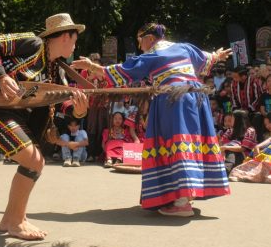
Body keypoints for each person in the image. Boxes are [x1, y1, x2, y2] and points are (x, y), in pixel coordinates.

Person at [72, 22, 231, 217]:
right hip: (196, 98)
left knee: (175, 143)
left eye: (140, 41)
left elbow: (124, 72)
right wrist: (217, 55)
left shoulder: (153, 55)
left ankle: (181, 203)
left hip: (173, 100)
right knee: (189, 142)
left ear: (149, 38)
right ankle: (185, 196)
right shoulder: (184, 47)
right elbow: (207, 58)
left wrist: (92, 67)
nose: (140, 46)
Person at [0, 13, 88, 239]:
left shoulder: (56, 70)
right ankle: (16, 222)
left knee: (35, 162)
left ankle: (10, 219)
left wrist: (78, 111)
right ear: (66, 36)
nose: (76, 45)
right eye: (75, 39)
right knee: (33, 161)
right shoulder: (34, 43)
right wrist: (1, 76)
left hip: (13, 116)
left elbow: (63, 104)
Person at [220, 109, 257, 174]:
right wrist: (223, 149)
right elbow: (221, 141)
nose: (231, 121)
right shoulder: (231, 130)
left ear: (238, 120)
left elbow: (243, 148)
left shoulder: (250, 131)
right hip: (228, 155)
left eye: (232, 119)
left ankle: (225, 169)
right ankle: (223, 167)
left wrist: (225, 147)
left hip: (244, 157)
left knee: (231, 147)